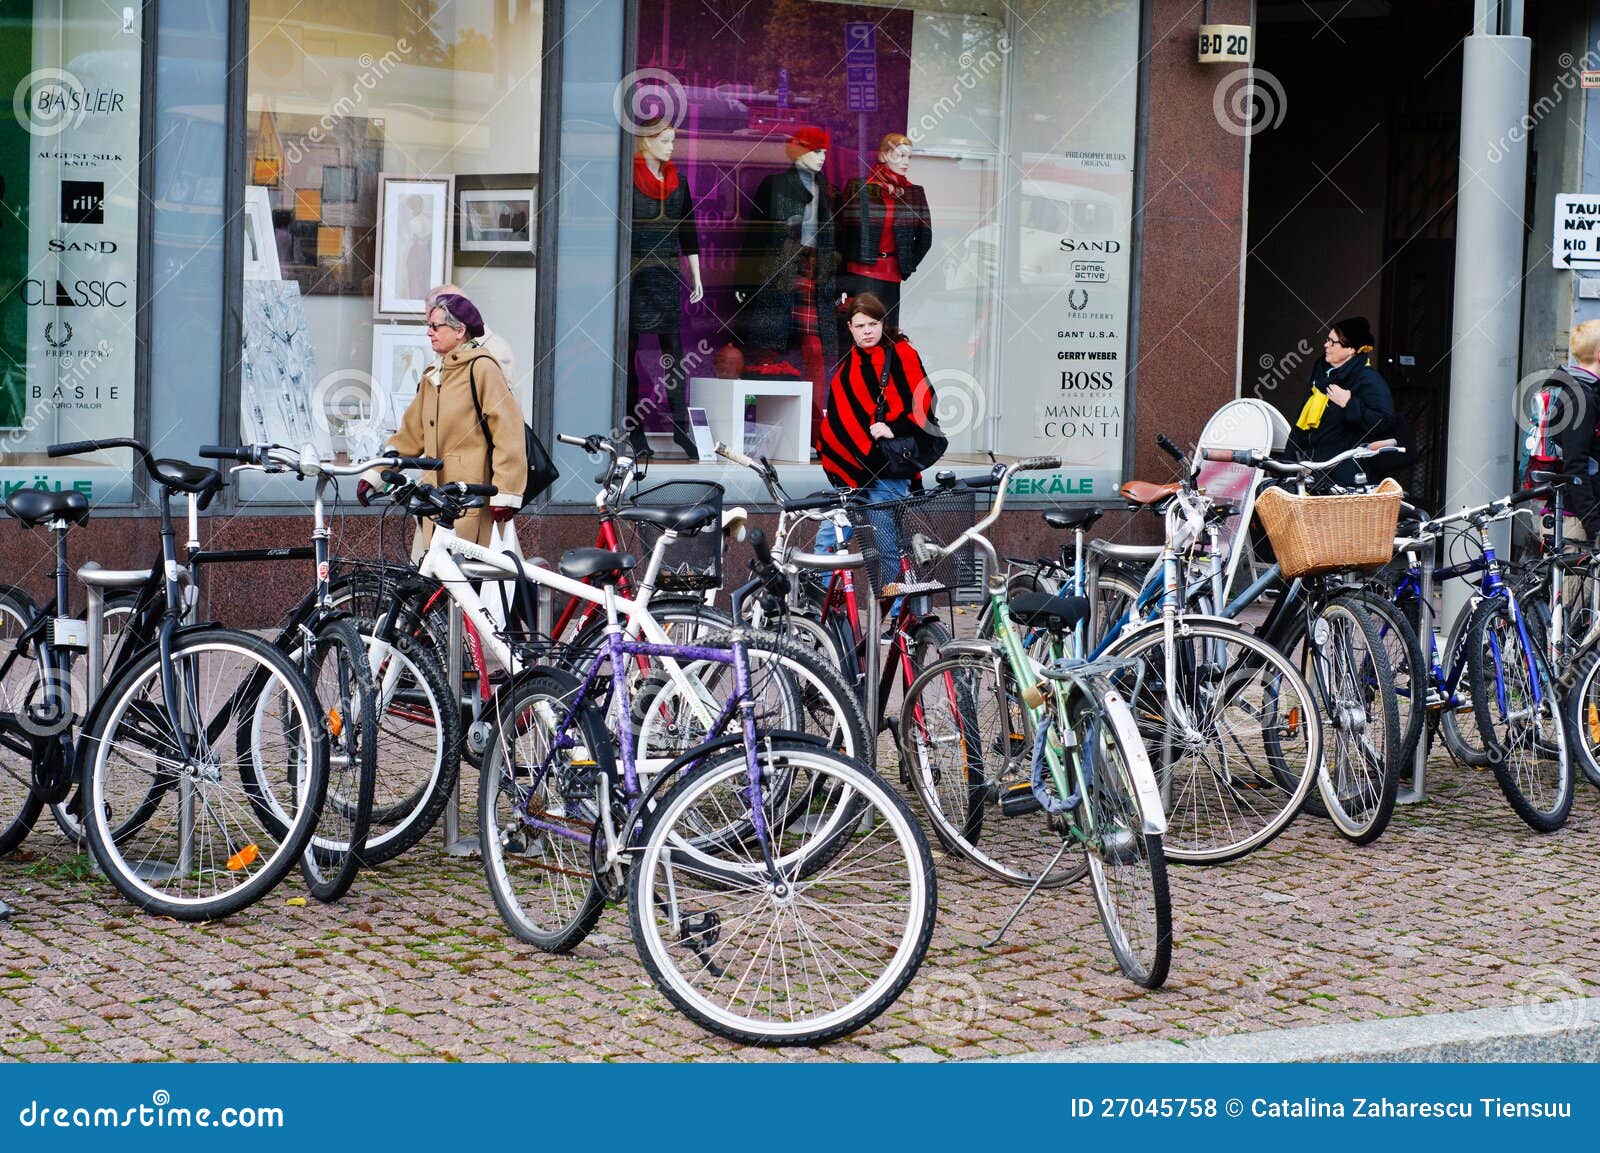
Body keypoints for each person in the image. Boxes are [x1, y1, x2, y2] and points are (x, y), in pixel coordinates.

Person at [359, 292, 527, 549]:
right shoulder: (433, 375)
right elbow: (410, 436)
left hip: (471, 497)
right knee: (435, 579)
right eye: (429, 326)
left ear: (460, 330)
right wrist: (377, 474)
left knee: (470, 581)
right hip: (435, 500)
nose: (429, 332)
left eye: (436, 326)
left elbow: (509, 433)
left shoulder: (482, 368)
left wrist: (505, 493)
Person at [814, 292, 937, 621]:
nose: (867, 331)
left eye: (874, 323)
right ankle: (822, 617)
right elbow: (840, 417)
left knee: (885, 553)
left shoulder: (902, 354)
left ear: (883, 324)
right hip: (850, 476)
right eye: (860, 325)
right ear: (850, 328)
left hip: (886, 473)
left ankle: (894, 618)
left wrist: (894, 428)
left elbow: (925, 401)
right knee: (827, 543)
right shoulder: (848, 365)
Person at [626, 117, 703, 458]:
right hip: (634, 277)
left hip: (669, 276)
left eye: (673, 141)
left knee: (674, 354)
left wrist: (697, 277)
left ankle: (680, 429)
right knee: (629, 358)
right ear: (645, 143)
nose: (672, 147)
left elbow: (689, 234)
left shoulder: (680, 184)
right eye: (665, 141)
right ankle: (634, 431)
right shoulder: (626, 180)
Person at [836, 132, 933, 349]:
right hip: (860, 271)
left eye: (909, 157)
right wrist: (844, 267)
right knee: (859, 331)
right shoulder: (859, 187)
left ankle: (880, 379)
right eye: (900, 155)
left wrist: (906, 263)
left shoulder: (914, 193)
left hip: (891, 273)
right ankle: (852, 377)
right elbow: (842, 230)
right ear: (884, 155)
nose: (906, 162)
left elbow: (925, 237)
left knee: (887, 333)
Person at [1287, 316, 1397, 486]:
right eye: (1327, 340)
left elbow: (1384, 422)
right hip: (1313, 473)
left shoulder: (1368, 379)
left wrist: (1349, 403)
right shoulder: (1322, 377)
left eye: (1333, 342)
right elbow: (1301, 427)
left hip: (1345, 480)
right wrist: (1288, 465)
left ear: (1351, 349)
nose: (1326, 345)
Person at [1526, 317, 1600, 541]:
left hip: (1572, 516)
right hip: (1574, 521)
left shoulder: (1574, 388)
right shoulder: (1581, 397)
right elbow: (1575, 465)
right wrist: (1595, 524)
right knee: (1574, 578)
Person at [426, 283, 515, 377]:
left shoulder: (494, 352)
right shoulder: (447, 351)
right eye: (429, 323)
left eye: (435, 325)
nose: (429, 333)